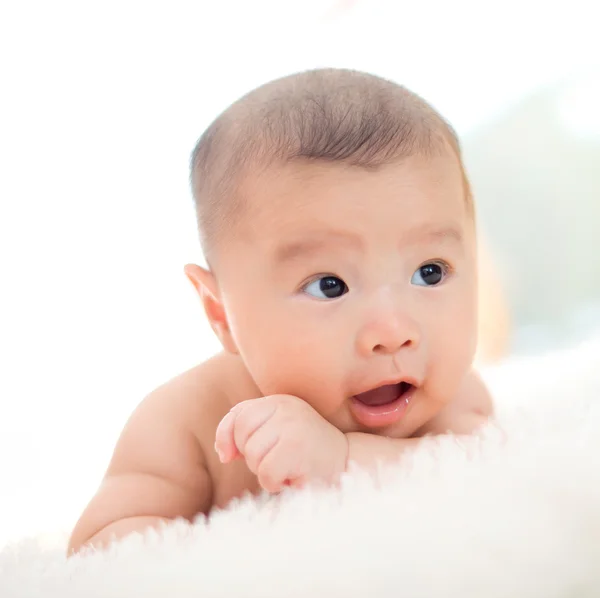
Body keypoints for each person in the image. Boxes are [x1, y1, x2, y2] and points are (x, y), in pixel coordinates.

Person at [68, 68, 497, 554]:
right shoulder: (185, 421)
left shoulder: (453, 397)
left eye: (430, 272)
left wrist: (342, 460)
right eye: (329, 286)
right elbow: (98, 553)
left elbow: (486, 473)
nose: (393, 332)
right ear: (220, 313)